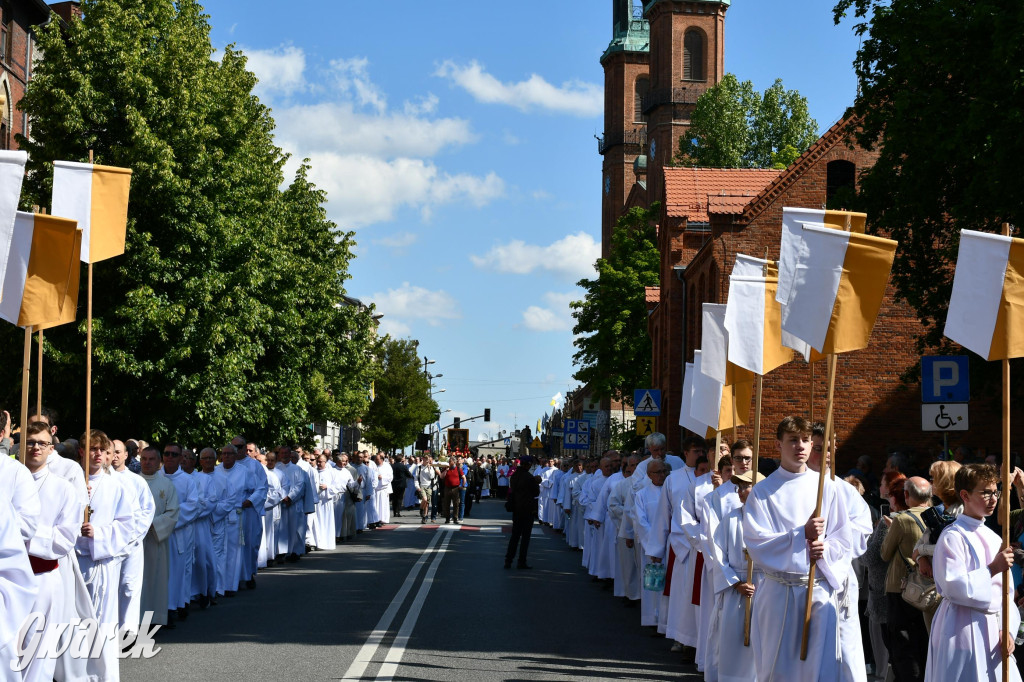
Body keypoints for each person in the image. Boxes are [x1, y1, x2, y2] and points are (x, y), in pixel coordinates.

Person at [742, 416, 853, 682]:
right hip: (778, 593)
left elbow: (843, 540)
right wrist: (799, 535)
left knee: (819, 667)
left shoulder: (827, 487)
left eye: (805, 440)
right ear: (779, 444)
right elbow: (757, 543)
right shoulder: (763, 492)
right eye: (793, 440)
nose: (800, 446)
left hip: (817, 590)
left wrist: (823, 549)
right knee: (777, 666)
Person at [924, 463, 1021, 682]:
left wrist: (1007, 628)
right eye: (986, 492)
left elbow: (1006, 594)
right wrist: (992, 569)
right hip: (961, 627)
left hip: (994, 626)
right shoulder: (952, 537)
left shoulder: (995, 538)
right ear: (965, 495)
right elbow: (952, 586)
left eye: (995, 492)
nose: (993, 499)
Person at [809, 423, 873, 682]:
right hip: (805, 577)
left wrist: (831, 546)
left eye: (828, 447)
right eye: (817, 447)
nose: (824, 453)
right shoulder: (794, 485)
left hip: (839, 576)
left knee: (845, 642)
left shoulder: (845, 489)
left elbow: (863, 529)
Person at [20, 421, 82, 682]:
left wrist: (23, 537)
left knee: (38, 650)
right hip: (6, 579)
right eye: (31, 442)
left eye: (42, 443)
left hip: (42, 578)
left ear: (51, 448)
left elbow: (65, 539)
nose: (36, 448)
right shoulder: (8, 483)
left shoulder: (63, 488)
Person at [77, 429, 139, 680]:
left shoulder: (117, 486)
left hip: (102, 562)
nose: (98, 454)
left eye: (102, 450)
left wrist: (99, 533)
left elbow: (127, 525)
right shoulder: (72, 482)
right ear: (82, 451)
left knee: (102, 623)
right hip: (74, 562)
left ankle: (102, 675)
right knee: (75, 622)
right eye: (92, 449)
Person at [704, 467, 764, 682]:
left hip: (764, 588)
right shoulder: (730, 519)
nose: (740, 491)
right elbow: (717, 555)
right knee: (732, 639)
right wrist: (736, 582)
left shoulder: (771, 520)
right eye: (738, 487)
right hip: (736, 588)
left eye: (746, 486)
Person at [881, 475, 932, 681]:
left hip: (901, 588)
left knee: (903, 642)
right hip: (930, 588)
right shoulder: (937, 517)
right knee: (924, 639)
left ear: (906, 495)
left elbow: (884, 554)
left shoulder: (901, 520)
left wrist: (889, 528)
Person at [109, 438, 156, 636]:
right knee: (109, 587)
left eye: (119, 452)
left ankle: (128, 631)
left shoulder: (136, 481)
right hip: (109, 542)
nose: (115, 456)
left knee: (129, 585)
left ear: (127, 455)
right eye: (112, 452)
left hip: (131, 542)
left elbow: (147, 510)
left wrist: (134, 535)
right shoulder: (102, 479)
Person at [139, 446, 179, 627]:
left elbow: (173, 512)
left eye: (151, 459)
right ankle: (132, 621)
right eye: (144, 459)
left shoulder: (166, 485)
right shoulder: (132, 482)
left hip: (155, 539)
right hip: (134, 541)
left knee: (156, 579)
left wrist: (151, 525)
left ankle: (155, 619)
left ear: (158, 462)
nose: (147, 462)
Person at [635, 458, 669, 631]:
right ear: (649, 475)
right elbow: (641, 522)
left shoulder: (670, 491)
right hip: (651, 548)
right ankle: (652, 619)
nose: (662, 475)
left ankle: (666, 621)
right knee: (652, 583)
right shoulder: (642, 494)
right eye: (658, 472)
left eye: (664, 471)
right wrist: (655, 546)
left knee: (668, 585)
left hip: (670, 545)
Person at [505, 456, 541, 569]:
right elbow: (536, 492)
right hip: (527, 510)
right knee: (525, 538)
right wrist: (536, 482)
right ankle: (521, 561)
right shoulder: (529, 477)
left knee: (515, 536)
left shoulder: (515, 476)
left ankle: (508, 560)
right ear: (528, 464)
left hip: (516, 509)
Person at [311, 454, 341, 550]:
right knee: (317, 523)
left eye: (321, 462)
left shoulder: (331, 472)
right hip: (316, 502)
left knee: (326, 523)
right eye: (318, 461)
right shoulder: (314, 472)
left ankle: (326, 543)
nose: (319, 463)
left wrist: (327, 487)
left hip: (326, 502)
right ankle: (316, 543)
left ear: (326, 462)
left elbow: (337, 486)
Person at [415, 454, 437, 524]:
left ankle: (424, 517)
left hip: (429, 486)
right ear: (423, 459)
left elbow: (432, 477)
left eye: (428, 459)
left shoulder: (430, 468)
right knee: (424, 499)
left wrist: (429, 468)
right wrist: (417, 487)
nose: (427, 461)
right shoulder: (419, 468)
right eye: (425, 459)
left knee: (427, 503)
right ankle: (421, 509)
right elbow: (415, 478)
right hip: (422, 486)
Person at [442, 457, 464, 523]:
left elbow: (464, 477)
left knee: (456, 504)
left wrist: (462, 485)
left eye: (450, 461)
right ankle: (447, 518)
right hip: (447, 488)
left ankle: (455, 518)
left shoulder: (458, 469)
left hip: (455, 488)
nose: (449, 462)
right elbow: (441, 476)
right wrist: (446, 470)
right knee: (446, 504)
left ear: (454, 462)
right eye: (449, 461)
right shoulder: (446, 469)